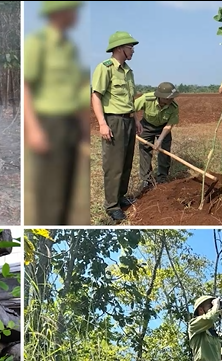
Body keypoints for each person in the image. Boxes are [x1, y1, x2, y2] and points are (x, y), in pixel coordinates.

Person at [23, 0, 88, 225]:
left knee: (66, 189)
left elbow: (76, 90)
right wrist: (33, 130)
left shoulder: (70, 47)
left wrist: (82, 128)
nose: (77, 14)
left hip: (69, 125)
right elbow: (26, 86)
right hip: (49, 123)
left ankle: (60, 222)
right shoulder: (37, 43)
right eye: (74, 9)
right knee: (50, 191)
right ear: (60, 12)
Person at [92, 31, 140, 222]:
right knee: (114, 165)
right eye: (131, 47)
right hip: (114, 121)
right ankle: (112, 206)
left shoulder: (128, 71)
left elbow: (131, 99)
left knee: (126, 163)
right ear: (120, 48)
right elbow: (96, 96)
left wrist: (136, 119)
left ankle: (120, 197)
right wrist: (102, 124)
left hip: (128, 120)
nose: (133, 51)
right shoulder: (105, 68)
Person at [134, 82, 180, 191]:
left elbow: (169, 124)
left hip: (163, 128)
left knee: (164, 151)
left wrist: (160, 139)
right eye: (168, 99)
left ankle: (162, 177)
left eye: (172, 98)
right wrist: (135, 122)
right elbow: (131, 108)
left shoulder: (174, 107)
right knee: (145, 151)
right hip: (146, 126)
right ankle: (146, 179)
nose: (170, 100)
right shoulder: (146, 98)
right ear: (160, 96)